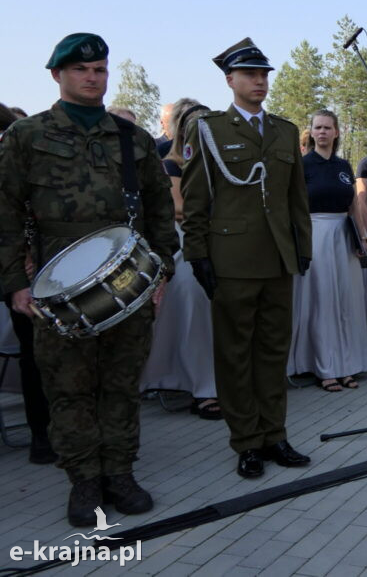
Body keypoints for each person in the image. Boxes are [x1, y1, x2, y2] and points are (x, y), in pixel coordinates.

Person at [0, 33, 178, 525]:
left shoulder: (133, 139)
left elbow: (161, 210)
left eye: (99, 69)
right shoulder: (26, 136)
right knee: (69, 387)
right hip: (55, 287)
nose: (92, 77)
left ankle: (119, 472)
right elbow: (5, 215)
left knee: (121, 382)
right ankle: (83, 481)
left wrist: (161, 271)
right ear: (57, 75)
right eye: (81, 70)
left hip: (126, 282)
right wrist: (15, 282)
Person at [180, 37, 313, 478]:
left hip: (278, 259)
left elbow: (296, 201)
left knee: (274, 352)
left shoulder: (285, 130)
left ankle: (275, 434)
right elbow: (196, 199)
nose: (260, 81)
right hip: (232, 259)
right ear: (229, 80)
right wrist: (197, 254)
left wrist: (302, 249)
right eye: (251, 74)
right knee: (235, 353)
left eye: (264, 75)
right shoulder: (210, 130)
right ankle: (246, 441)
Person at [140, 102, 220, 419]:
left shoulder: (220, 163)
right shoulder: (172, 164)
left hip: (219, 241)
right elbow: (177, 208)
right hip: (187, 243)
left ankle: (215, 383)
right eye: (193, 124)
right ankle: (201, 389)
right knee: (193, 314)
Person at [289, 110, 367, 391]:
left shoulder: (344, 166)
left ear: (337, 132)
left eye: (328, 128)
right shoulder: (302, 165)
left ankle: (347, 366)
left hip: (343, 236)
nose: (322, 132)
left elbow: (354, 205)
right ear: (311, 132)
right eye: (318, 127)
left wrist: (361, 236)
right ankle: (325, 368)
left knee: (346, 302)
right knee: (322, 302)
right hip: (315, 236)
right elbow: (294, 207)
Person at [0, 102, 55, 464]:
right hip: (18, 269)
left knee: (38, 353)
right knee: (34, 354)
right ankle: (42, 436)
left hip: (27, 268)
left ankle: (45, 435)